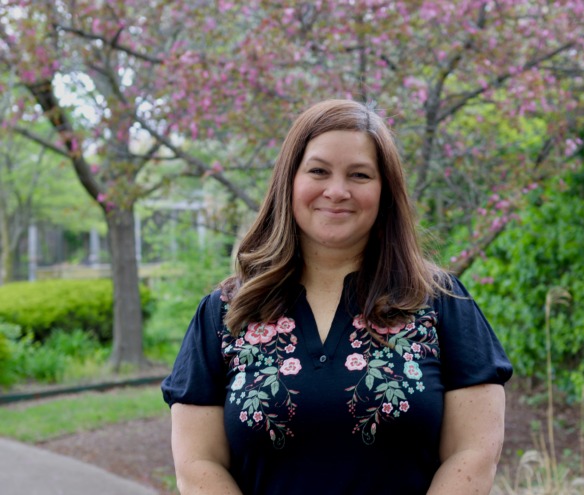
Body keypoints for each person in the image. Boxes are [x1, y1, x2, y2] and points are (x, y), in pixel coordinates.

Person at [162, 99, 513, 495]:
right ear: (289, 181)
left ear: (385, 191)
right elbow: (196, 463)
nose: (337, 190)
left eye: (360, 175)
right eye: (318, 171)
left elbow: (474, 452)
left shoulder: (440, 302)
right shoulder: (226, 312)